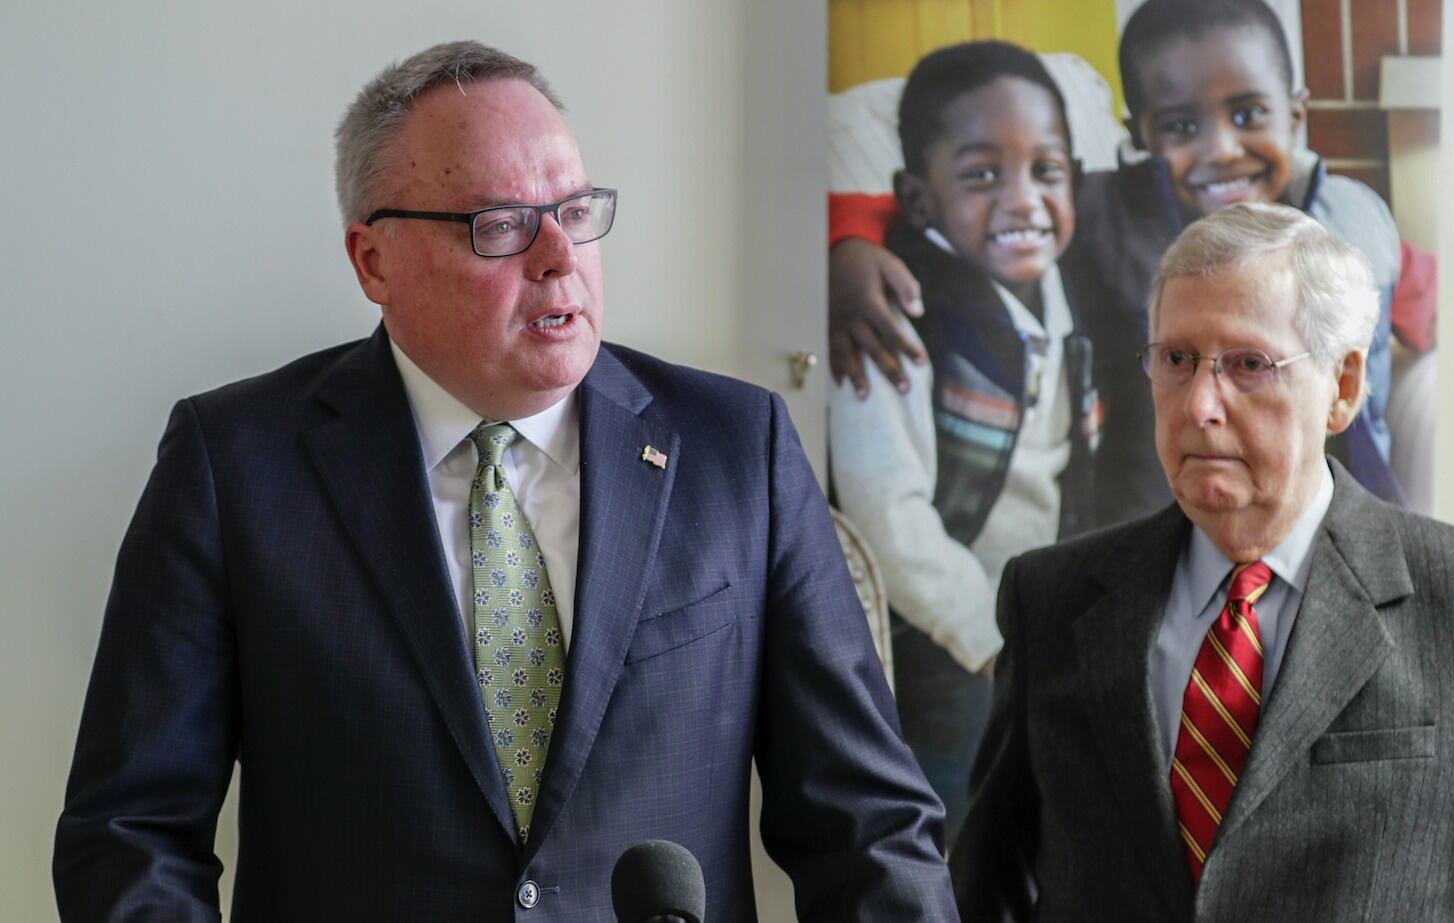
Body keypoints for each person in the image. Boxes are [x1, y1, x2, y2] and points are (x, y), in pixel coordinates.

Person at [54, 41, 959, 922]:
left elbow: (867, 824)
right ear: (374, 260)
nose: (559, 255)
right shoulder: (235, 466)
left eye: (575, 209)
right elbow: (130, 834)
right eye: (501, 224)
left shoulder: (737, 448)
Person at [948, 202, 1454, 921]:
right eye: (1177, 360)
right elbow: (981, 892)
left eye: (1248, 364)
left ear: (1342, 387)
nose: (1200, 404)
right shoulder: (1050, 598)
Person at [829, 0, 1408, 526]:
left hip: (1340, 511)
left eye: (1248, 114)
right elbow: (961, 210)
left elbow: (1400, 275)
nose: (1221, 150)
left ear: (1296, 115)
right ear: (1139, 135)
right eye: (1182, 127)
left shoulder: (1351, 214)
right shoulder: (1105, 210)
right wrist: (848, 243)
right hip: (1156, 524)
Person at [828, 41, 1098, 835]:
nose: (1024, 200)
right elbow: (888, 519)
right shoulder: (890, 317)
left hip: (1039, 627)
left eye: (1046, 171)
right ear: (916, 200)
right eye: (982, 176)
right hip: (946, 641)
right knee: (954, 829)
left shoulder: (1070, 288)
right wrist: (989, 639)